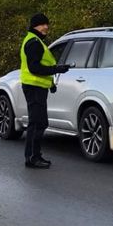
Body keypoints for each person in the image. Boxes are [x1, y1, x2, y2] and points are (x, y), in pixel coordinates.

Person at [20, 13, 70, 169]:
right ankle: (32, 158)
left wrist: (51, 83)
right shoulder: (34, 43)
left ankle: (34, 156)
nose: (46, 27)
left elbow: (38, 68)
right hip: (34, 87)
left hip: (37, 87)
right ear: (35, 25)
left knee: (38, 122)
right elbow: (35, 68)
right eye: (43, 24)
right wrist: (57, 69)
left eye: (47, 24)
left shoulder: (35, 41)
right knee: (37, 123)